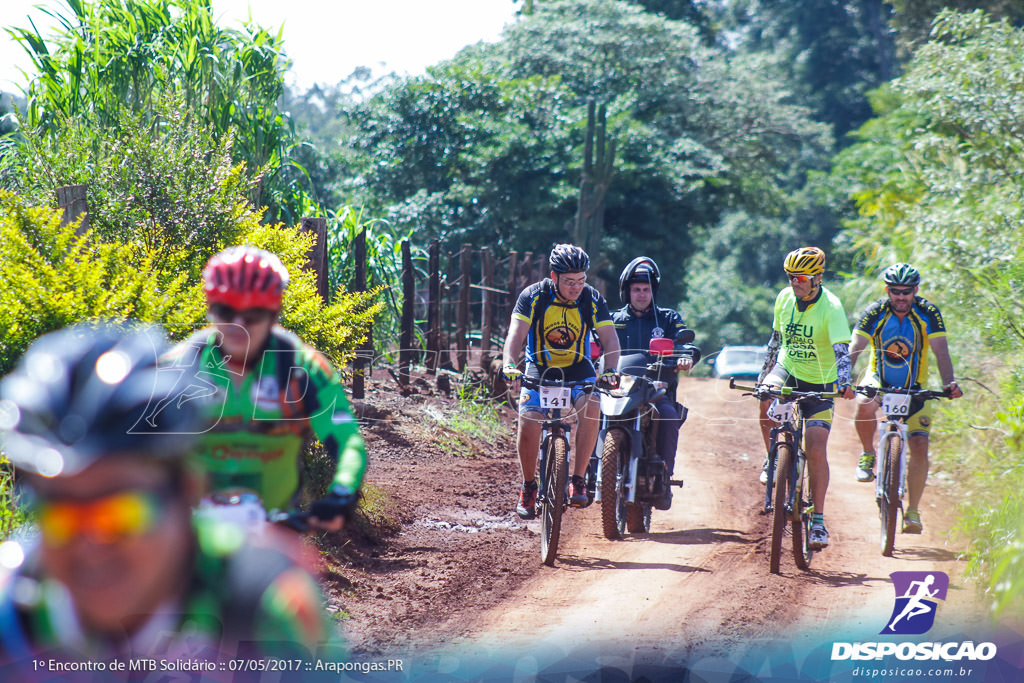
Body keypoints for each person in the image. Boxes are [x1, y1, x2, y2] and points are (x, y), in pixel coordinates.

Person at [0, 323, 343, 669]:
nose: (91, 544)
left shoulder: (265, 603)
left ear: (187, 491)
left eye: (121, 514)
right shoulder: (10, 606)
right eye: (62, 518)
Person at [162, 245, 367, 531]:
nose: (238, 324)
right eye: (225, 310)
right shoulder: (177, 366)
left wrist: (343, 492)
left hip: (274, 533)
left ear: (274, 314)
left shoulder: (303, 368)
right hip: (189, 532)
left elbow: (347, 442)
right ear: (210, 309)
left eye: (252, 315)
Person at [502, 244, 621, 519]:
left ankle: (578, 479)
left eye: (581, 280)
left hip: (578, 368)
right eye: (569, 282)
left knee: (592, 403)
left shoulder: (591, 299)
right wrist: (509, 364)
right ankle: (529, 486)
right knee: (529, 418)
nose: (576, 287)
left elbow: (610, 339)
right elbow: (515, 334)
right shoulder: (534, 295)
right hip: (540, 367)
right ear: (554, 276)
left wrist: (610, 369)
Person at [847, 263, 963, 533]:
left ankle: (913, 511)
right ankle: (867, 454)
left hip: (915, 386)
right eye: (895, 291)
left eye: (906, 292)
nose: (901, 297)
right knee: (864, 402)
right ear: (887, 290)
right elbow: (856, 347)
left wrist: (949, 384)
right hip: (879, 379)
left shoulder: (928, 312)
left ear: (916, 290)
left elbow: (941, 351)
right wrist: (843, 378)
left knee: (920, 445)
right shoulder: (875, 311)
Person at [756, 246, 855, 550]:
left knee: (815, 446)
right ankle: (773, 457)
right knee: (765, 399)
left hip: (822, 381)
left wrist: (844, 382)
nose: (793, 283)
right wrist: (763, 376)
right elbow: (776, 341)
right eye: (789, 277)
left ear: (817, 278)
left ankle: (820, 521)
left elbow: (842, 351)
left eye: (799, 277)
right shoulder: (785, 298)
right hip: (788, 369)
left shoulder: (832, 306)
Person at [611, 256, 701, 509]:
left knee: (668, 414)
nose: (641, 294)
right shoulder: (611, 319)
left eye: (646, 289)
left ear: (653, 291)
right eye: (636, 289)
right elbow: (593, 342)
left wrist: (685, 357)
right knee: (590, 411)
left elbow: (687, 345)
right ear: (627, 291)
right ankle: (586, 474)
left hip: (655, 390)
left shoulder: (668, 319)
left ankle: (663, 476)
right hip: (617, 390)